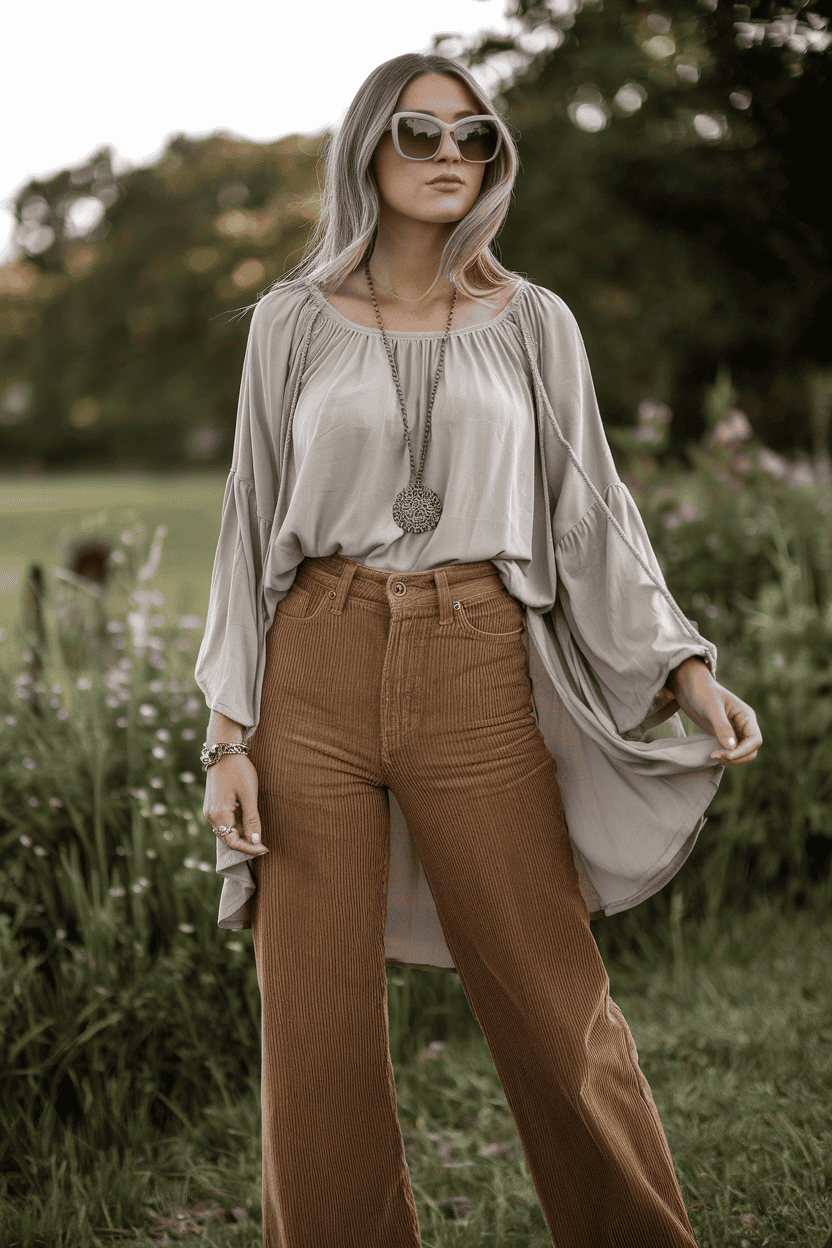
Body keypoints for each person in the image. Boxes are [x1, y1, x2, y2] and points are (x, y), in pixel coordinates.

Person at [194, 51, 762, 1248]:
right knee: (314, 1032)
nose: (453, 157)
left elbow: (590, 508)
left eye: (476, 138)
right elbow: (249, 522)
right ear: (367, 149)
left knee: (557, 1004)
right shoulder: (289, 325)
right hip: (315, 665)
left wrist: (683, 667)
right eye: (421, 134)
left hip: (476, 661)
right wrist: (226, 736)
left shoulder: (532, 321)